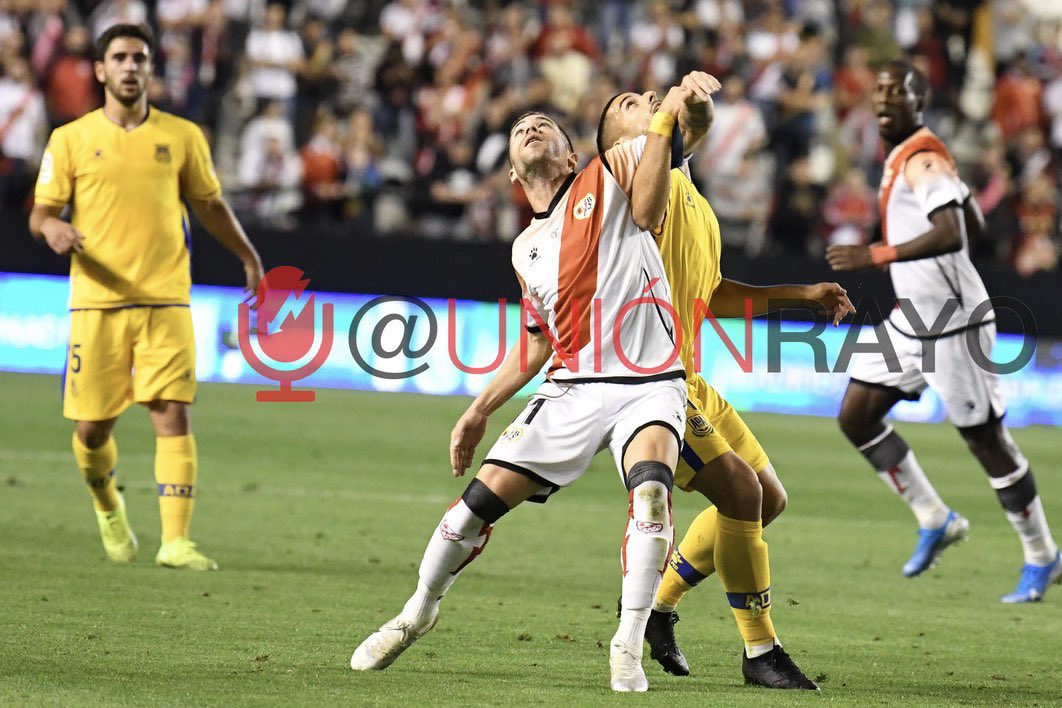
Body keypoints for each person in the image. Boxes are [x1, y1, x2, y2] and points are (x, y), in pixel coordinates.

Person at [351, 78, 711, 693]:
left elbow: (679, 148)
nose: (531, 126)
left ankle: (627, 643)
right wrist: (478, 410)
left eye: (545, 124)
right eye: (520, 127)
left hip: (649, 380)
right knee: (470, 511)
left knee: (652, 495)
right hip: (574, 388)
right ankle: (416, 612)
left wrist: (690, 103)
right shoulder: (525, 250)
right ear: (514, 175)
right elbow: (538, 342)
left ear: (571, 157)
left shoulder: (613, 169)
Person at [598, 82, 853, 689]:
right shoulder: (632, 191)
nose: (646, 96)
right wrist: (675, 114)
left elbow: (711, 292)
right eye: (630, 104)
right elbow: (673, 137)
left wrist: (801, 295)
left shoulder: (683, 186)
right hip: (652, 381)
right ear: (616, 147)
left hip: (690, 376)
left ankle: (658, 608)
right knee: (742, 494)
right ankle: (761, 651)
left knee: (769, 498)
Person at [29, 24, 263, 571]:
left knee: (172, 413)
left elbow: (209, 205)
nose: (130, 66)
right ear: (101, 70)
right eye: (119, 58)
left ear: (151, 68)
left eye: (139, 57)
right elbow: (41, 212)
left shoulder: (182, 136)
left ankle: (175, 542)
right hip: (98, 303)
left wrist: (249, 256)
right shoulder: (70, 139)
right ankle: (108, 505)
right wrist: (52, 228)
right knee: (92, 431)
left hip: (166, 299)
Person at [827, 59, 1060, 602]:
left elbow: (953, 231)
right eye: (879, 90)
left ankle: (1043, 555)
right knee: (856, 416)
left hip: (954, 323)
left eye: (898, 92)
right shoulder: (912, 155)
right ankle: (935, 517)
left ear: (920, 102)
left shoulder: (922, 157)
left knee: (987, 442)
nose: (884, 100)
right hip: (913, 319)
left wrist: (875, 254)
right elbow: (972, 219)